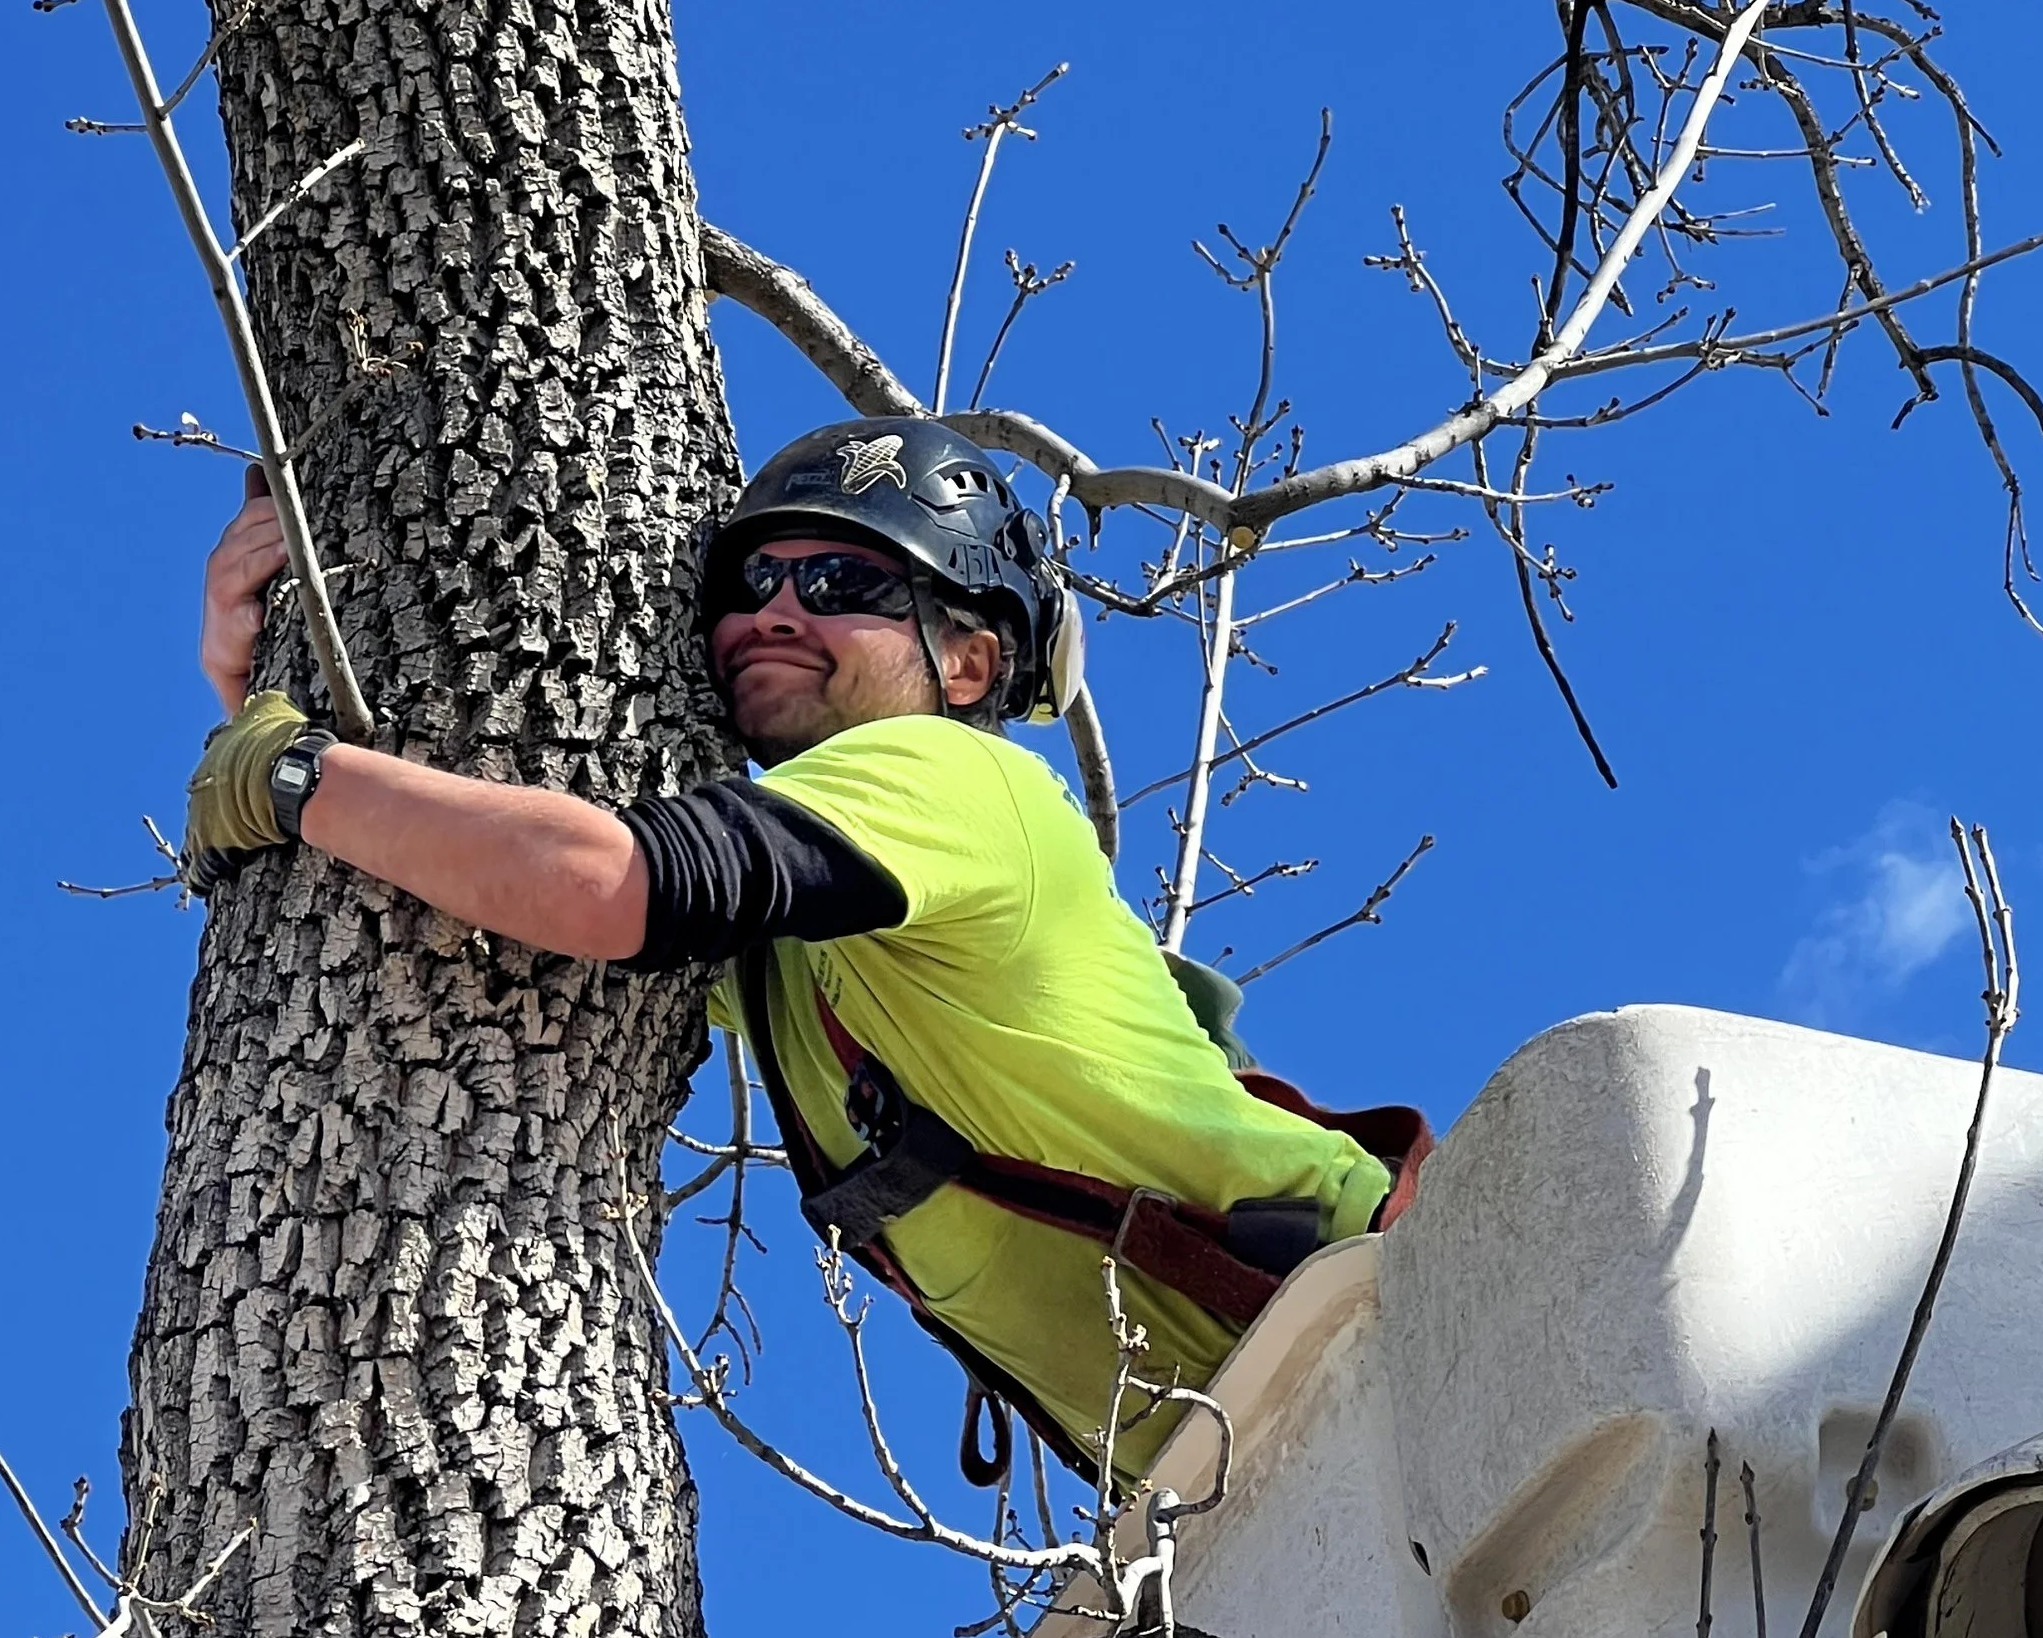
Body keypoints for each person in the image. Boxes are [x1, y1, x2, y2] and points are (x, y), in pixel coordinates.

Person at [183, 418, 1420, 1488]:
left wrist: (293, 774)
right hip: (1273, 1415)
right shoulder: (805, 949)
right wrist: (279, 676)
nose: (776, 608)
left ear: (971, 661)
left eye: (845, 581)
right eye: (753, 582)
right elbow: (499, 880)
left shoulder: (961, 774)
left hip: (1389, 1314)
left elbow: (611, 884)